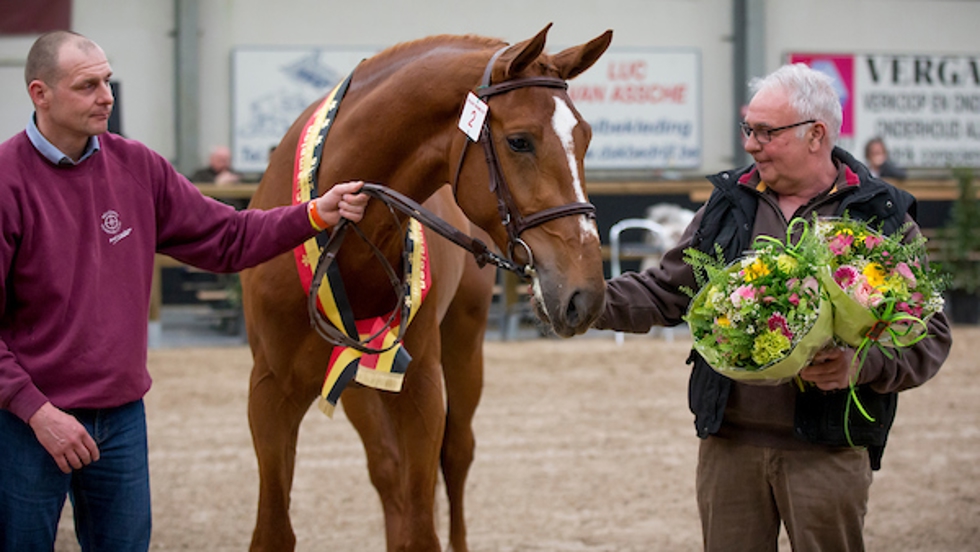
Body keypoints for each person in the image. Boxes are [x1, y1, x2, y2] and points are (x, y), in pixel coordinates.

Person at [0, 31, 368, 551]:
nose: (106, 96)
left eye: (107, 81)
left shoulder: (137, 167)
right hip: (27, 426)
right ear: (40, 94)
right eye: (87, 86)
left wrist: (313, 214)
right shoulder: (5, 182)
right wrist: (36, 412)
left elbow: (227, 239)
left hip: (122, 418)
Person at [593, 63, 951, 551]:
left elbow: (930, 335)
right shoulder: (727, 206)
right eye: (748, 129)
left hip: (828, 448)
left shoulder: (880, 214)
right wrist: (587, 301)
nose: (750, 144)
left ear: (815, 135)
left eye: (765, 132)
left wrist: (860, 366)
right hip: (729, 445)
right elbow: (665, 291)